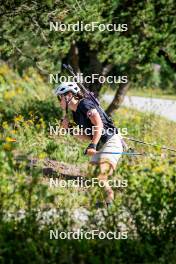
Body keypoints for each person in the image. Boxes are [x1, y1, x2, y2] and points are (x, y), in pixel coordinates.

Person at [55, 82, 123, 206]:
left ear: (69, 95)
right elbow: (88, 135)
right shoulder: (76, 114)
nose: (59, 101)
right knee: (93, 176)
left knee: (100, 176)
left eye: (60, 97)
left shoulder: (85, 104)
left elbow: (99, 124)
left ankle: (110, 204)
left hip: (110, 142)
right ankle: (103, 206)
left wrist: (92, 146)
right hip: (101, 144)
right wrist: (69, 129)